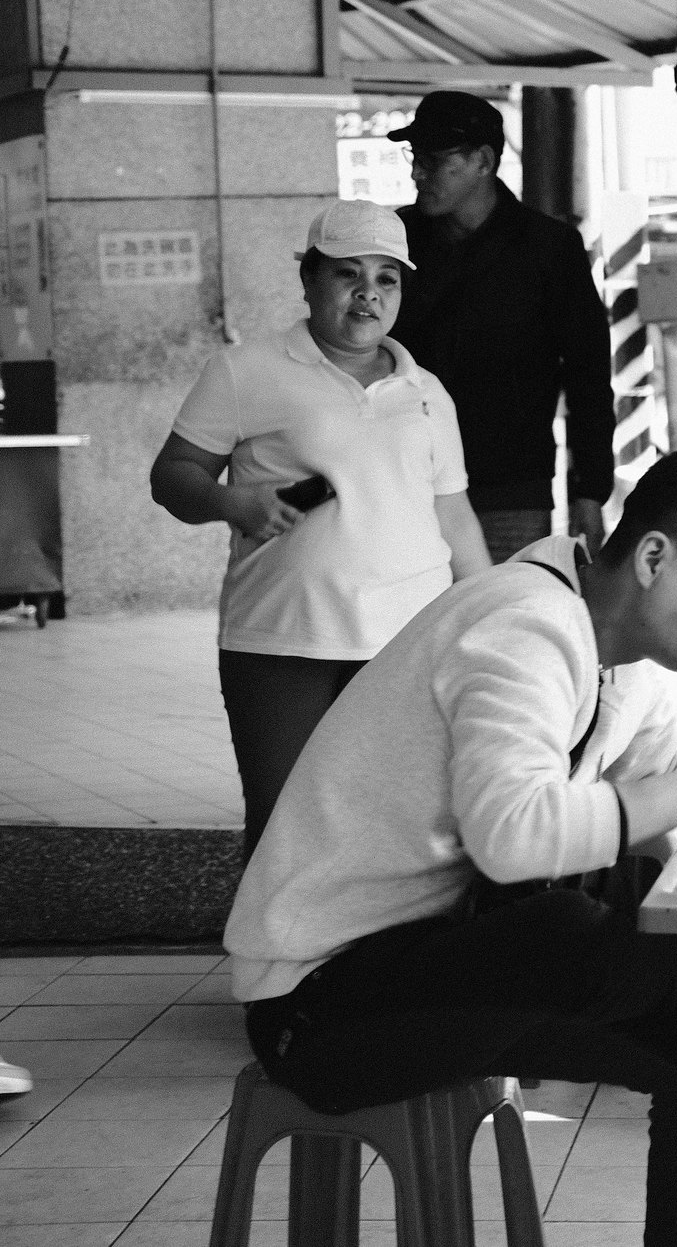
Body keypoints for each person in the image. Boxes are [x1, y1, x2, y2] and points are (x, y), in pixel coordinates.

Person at [224, 452, 677, 1247]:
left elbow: (667, 766)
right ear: (654, 556)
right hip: (320, 1004)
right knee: (563, 919)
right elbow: (512, 836)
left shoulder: (619, 655)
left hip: (433, 962)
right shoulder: (525, 624)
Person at [151, 199, 491, 858]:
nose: (368, 293)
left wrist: (494, 615)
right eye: (347, 274)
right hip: (283, 639)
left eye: (387, 278)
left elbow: (454, 518)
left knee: (402, 825)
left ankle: (383, 964)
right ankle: (278, 960)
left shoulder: (427, 391)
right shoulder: (245, 371)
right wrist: (234, 503)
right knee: (284, 826)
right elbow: (173, 476)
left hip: (407, 645)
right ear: (309, 280)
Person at [388, 90, 614, 560]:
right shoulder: (393, 243)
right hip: (404, 481)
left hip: (510, 490)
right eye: (415, 157)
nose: (417, 173)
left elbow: (588, 376)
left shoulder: (550, 249)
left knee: (500, 623)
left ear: (484, 162)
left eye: (433, 160)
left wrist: (589, 492)